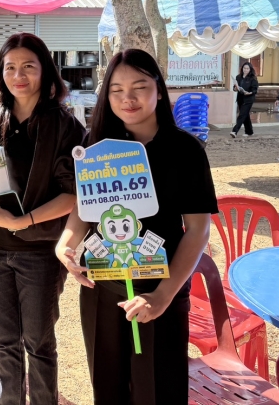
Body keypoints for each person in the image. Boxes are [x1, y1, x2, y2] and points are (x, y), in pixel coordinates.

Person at [56, 48, 217, 404]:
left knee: (159, 390)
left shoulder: (186, 150)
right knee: (107, 387)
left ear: (158, 88)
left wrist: (163, 295)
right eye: (117, 90)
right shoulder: (95, 146)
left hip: (160, 288)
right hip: (103, 288)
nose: (127, 98)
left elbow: (198, 230)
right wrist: (65, 241)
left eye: (139, 87)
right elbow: (85, 206)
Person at [0, 33, 86, 405]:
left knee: (38, 342)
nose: (18, 76)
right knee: (5, 341)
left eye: (28, 67)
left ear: (45, 71)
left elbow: (74, 194)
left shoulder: (66, 126)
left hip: (40, 251)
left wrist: (24, 221)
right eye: (10, 68)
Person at [230, 61, 259, 138]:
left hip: (248, 99)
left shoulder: (253, 78)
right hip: (240, 98)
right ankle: (249, 131)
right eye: (244, 68)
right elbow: (235, 87)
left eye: (247, 68)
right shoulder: (238, 77)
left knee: (242, 115)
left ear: (250, 69)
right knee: (245, 115)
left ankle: (234, 131)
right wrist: (235, 88)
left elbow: (255, 90)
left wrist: (249, 93)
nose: (245, 70)